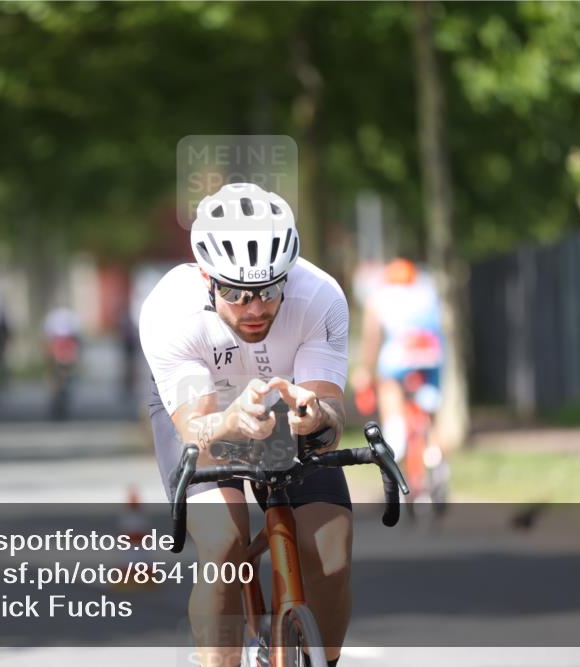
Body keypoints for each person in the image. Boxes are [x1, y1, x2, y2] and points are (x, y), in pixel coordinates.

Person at [139, 182, 351, 667]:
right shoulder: (171, 310)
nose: (255, 307)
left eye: (270, 289)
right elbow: (195, 427)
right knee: (223, 542)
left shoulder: (321, 296)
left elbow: (332, 418)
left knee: (331, 551)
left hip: (282, 406)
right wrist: (230, 422)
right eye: (235, 292)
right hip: (204, 411)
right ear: (206, 278)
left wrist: (314, 416)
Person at [350, 258, 445, 477]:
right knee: (430, 407)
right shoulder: (427, 292)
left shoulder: (380, 297)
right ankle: (434, 450)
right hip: (430, 352)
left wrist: (365, 369)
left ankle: (396, 439)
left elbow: (372, 338)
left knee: (388, 387)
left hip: (400, 354)